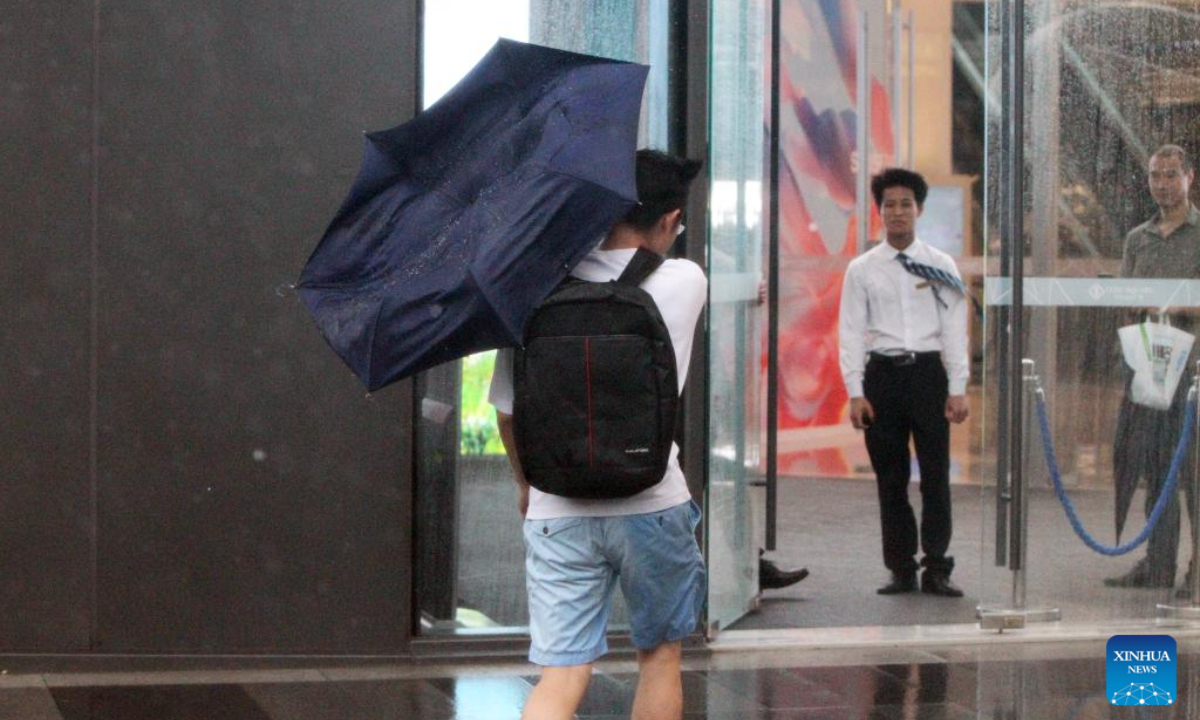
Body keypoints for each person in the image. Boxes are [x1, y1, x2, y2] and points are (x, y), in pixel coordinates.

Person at [489, 149, 706, 720]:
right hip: (652, 499)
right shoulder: (685, 280)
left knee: (561, 674)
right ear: (669, 220)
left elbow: (508, 412)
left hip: (556, 504)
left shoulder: (533, 290)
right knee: (659, 656)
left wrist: (525, 485)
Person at [837, 167, 970, 598]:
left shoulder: (940, 265)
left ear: (920, 210)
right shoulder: (862, 269)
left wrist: (958, 387)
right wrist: (855, 392)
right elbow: (851, 332)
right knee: (890, 478)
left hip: (930, 376)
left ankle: (937, 567)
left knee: (936, 475)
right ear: (879, 212)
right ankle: (900, 568)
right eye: (889, 205)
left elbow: (955, 329)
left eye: (905, 205)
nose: (897, 212)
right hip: (883, 379)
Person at [1105, 144, 1199, 596]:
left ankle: (1197, 569)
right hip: (1150, 368)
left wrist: (1175, 304)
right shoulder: (1137, 238)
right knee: (1156, 468)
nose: (1162, 183)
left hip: (1194, 373)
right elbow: (1127, 299)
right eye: (1155, 176)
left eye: (1171, 175)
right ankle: (1158, 563)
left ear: (1189, 177)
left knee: (1194, 473)